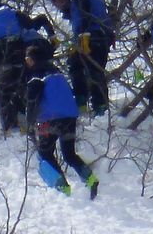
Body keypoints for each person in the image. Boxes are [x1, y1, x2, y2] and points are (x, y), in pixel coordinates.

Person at [25, 45, 99, 199]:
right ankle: (90, 179)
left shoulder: (36, 76)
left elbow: (33, 99)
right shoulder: (57, 74)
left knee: (45, 153)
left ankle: (62, 188)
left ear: (32, 60)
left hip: (50, 119)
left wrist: (29, 121)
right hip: (70, 117)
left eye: (28, 59)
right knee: (69, 154)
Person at [0, 0, 46, 133]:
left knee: (4, 92)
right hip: (17, 50)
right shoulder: (11, 11)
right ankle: (40, 119)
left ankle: (10, 127)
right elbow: (30, 25)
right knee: (24, 85)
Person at [47, 0, 114, 116]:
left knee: (92, 72)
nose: (57, 5)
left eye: (57, 1)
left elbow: (83, 17)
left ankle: (97, 107)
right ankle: (85, 102)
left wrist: (83, 36)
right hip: (102, 37)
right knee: (77, 65)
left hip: (93, 37)